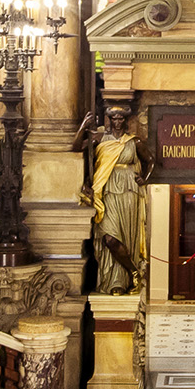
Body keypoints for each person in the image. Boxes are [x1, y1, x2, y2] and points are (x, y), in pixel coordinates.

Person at [79, 101, 149, 293]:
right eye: (114, 119)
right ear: (109, 120)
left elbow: (150, 161)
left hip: (129, 192)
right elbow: (77, 147)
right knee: (109, 238)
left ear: (125, 121)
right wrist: (82, 128)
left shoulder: (133, 141)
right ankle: (133, 272)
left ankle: (120, 282)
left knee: (127, 235)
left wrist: (144, 178)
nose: (117, 122)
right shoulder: (100, 138)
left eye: (120, 119)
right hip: (107, 189)